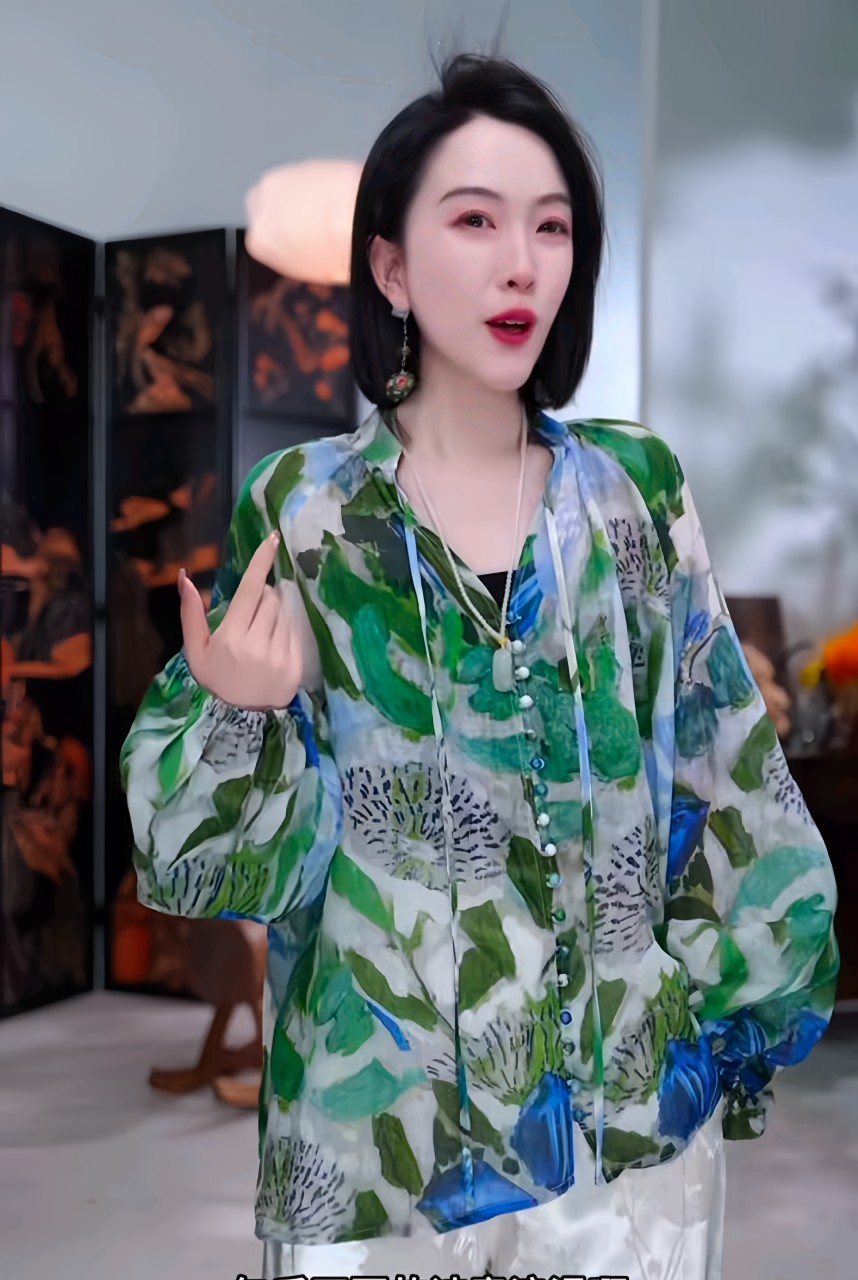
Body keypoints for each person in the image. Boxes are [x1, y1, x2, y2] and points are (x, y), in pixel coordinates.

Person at [121, 53, 839, 1280]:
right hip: (377, 1151)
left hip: (625, 1147)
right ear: (390, 266)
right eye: (475, 220)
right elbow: (218, 866)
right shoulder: (305, 510)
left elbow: (727, 769)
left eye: (552, 227)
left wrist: (721, 1019)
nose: (523, 263)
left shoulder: (637, 490)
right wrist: (242, 713)